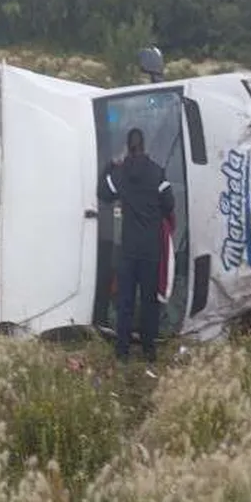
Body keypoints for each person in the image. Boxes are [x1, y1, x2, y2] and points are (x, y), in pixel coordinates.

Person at [97, 128, 175, 366]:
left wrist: (110, 165)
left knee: (126, 301)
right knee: (149, 301)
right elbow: (169, 203)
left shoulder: (119, 174)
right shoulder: (157, 172)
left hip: (128, 249)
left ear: (127, 148)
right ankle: (149, 350)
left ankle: (122, 351)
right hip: (151, 249)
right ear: (145, 146)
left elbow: (103, 193)